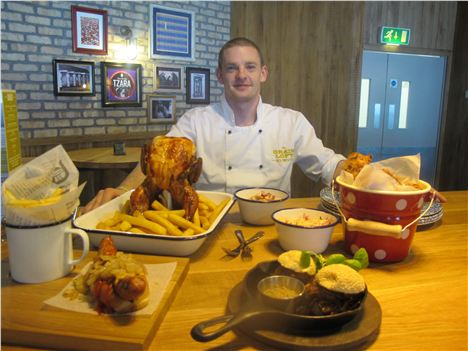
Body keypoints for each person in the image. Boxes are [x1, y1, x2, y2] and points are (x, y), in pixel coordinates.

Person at [83, 37, 347, 213]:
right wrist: (121, 191)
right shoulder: (197, 121)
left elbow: (326, 165)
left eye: (250, 67)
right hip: (209, 223)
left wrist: (364, 175)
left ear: (263, 73)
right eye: (232, 68)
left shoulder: (291, 122)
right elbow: (158, 161)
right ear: (220, 75)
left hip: (274, 225)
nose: (242, 75)